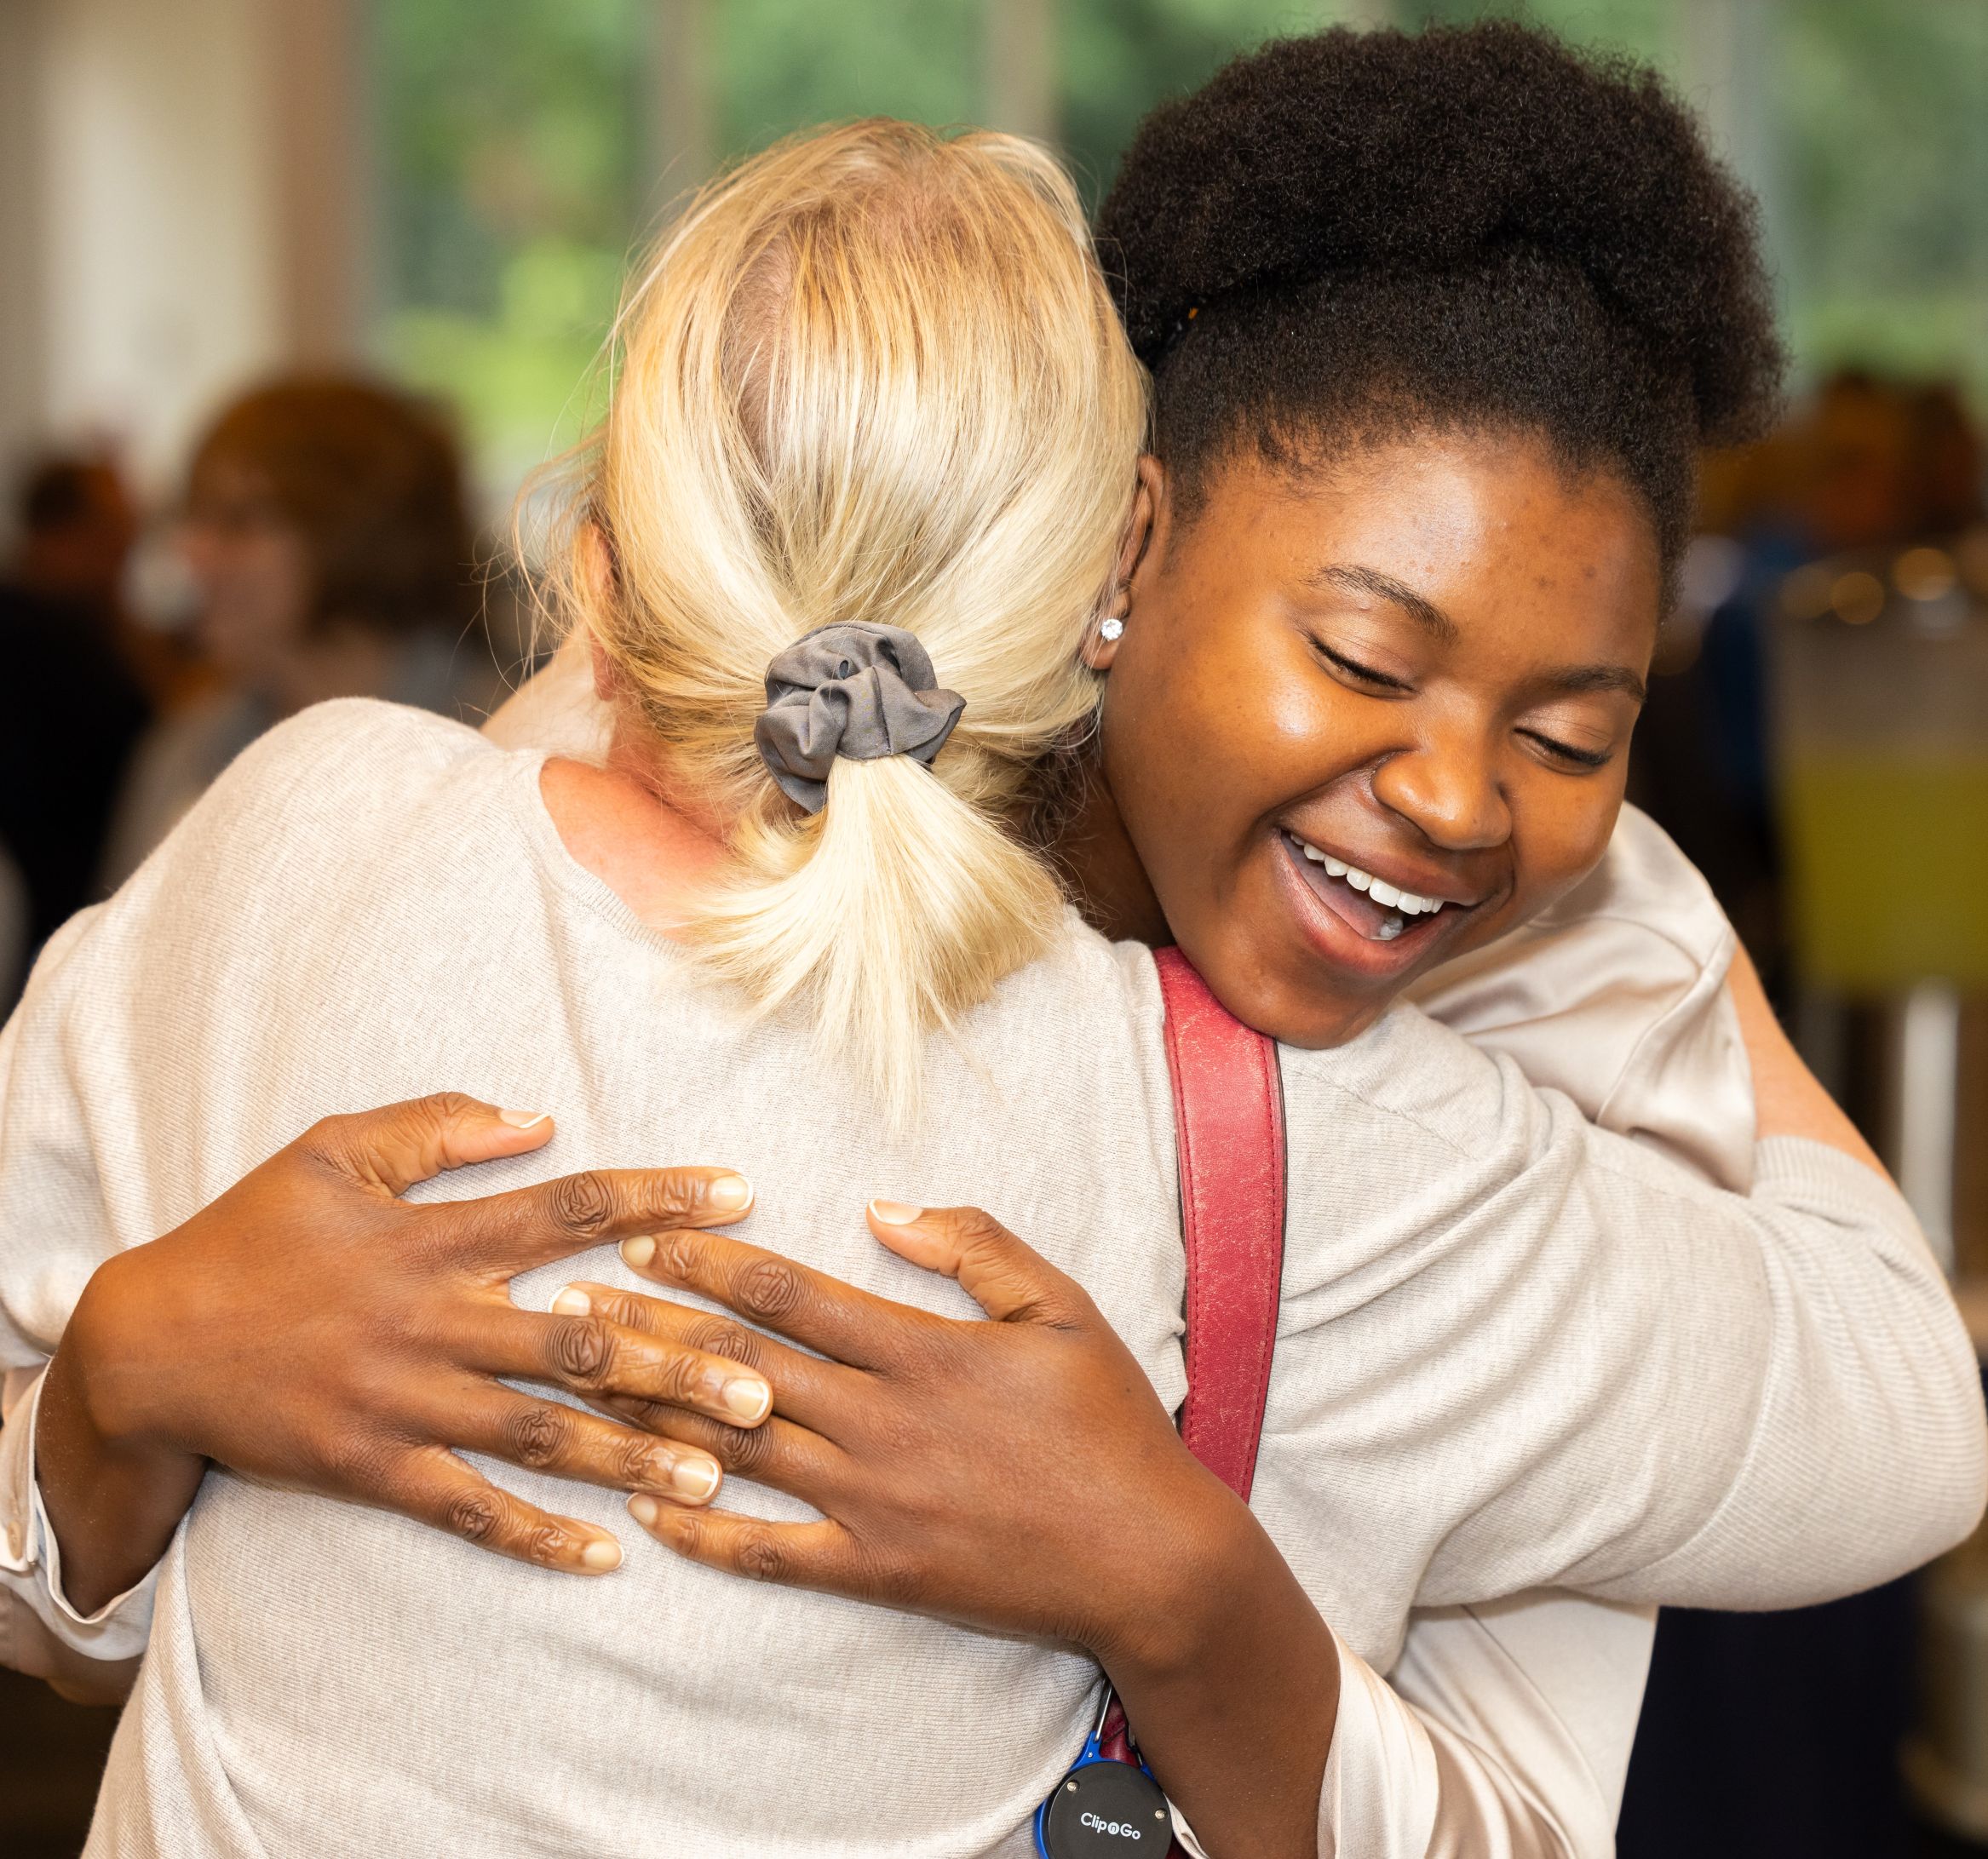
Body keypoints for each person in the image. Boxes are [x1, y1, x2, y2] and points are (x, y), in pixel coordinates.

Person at [1, 32, 1979, 1857]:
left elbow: (127, 1630)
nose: (1463, 795)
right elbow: (1900, 1415)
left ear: (600, 553)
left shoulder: (319, 827)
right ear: (1123, 554)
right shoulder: (1315, 1146)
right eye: (1364, 655)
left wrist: (1187, 1591)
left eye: (1568, 730)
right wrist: (1639, 890)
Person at [97, 376, 502, 886]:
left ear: (357, 535)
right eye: (196, 518)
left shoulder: (497, 742)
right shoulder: (188, 751)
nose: (192, 552)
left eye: (239, 524)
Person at [0, 455, 151, 1001]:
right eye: (113, 535)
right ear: (61, 534)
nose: (123, 555)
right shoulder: (56, 640)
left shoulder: (85, 631)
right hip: (62, 923)